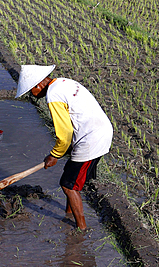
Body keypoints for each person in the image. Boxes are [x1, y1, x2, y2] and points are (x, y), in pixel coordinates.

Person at [16, 64, 113, 231]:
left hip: (90, 139)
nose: (33, 96)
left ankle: (81, 229)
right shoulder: (64, 82)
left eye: (31, 92)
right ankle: (69, 213)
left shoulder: (53, 95)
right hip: (100, 130)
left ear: (38, 85)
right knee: (70, 176)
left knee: (68, 185)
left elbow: (65, 133)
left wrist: (54, 155)